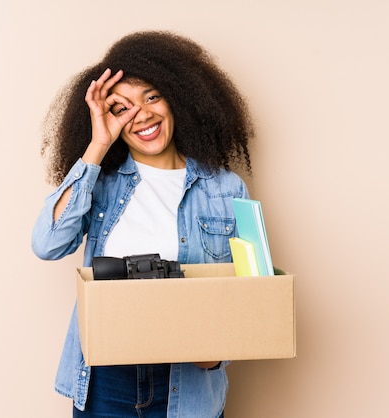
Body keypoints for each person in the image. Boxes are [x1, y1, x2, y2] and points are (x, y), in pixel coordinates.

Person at [32, 30, 255, 418]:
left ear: (178, 97)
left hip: (188, 384)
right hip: (106, 380)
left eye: (151, 96)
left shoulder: (225, 187)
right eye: (122, 108)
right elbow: (48, 244)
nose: (142, 115)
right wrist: (96, 147)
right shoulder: (100, 182)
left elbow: (249, 292)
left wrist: (218, 354)